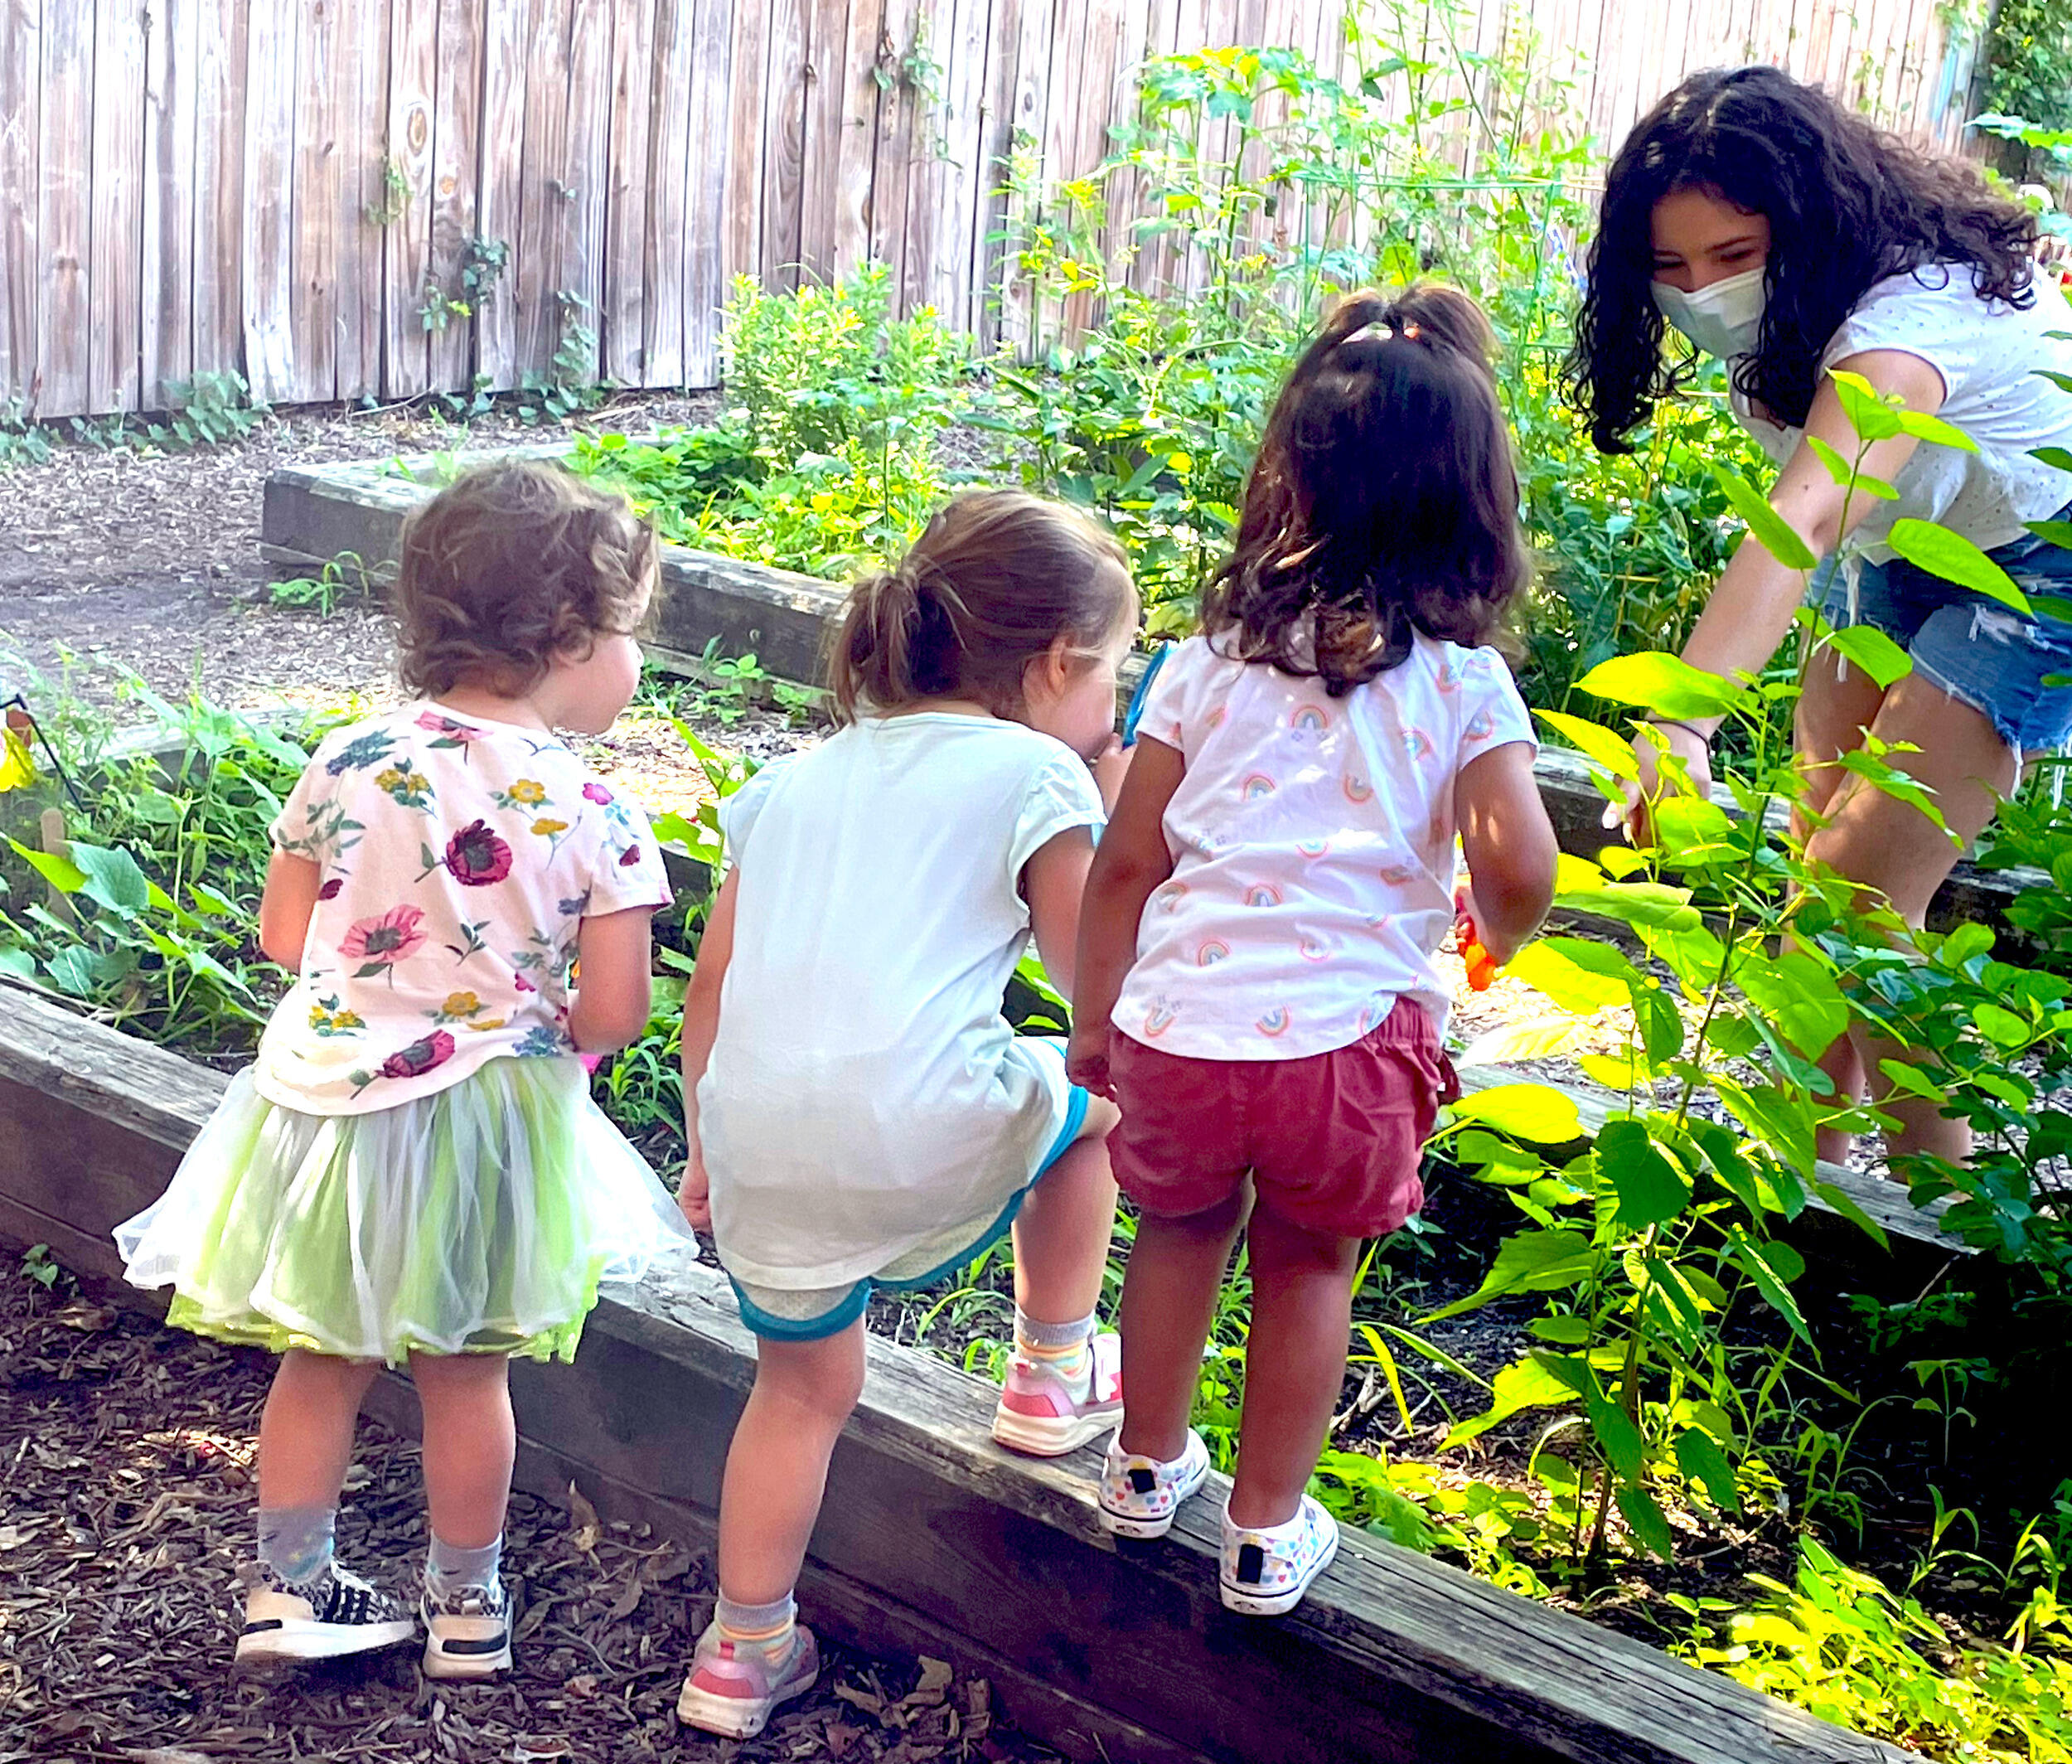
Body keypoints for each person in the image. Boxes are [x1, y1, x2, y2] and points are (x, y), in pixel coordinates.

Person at [115, 463, 689, 1678]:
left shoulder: (350, 754)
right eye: (629, 638)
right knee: (468, 1369)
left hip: (327, 1108)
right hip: (489, 1113)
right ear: (570, 639)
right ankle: (467, 1612)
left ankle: (286, 1588)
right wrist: (542, 1021)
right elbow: (621, 1012)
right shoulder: (596, 811)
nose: (636, 665)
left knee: (322, 1355)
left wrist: (382, 981)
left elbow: (283, 937)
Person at [1067, 285, 1559, 1615]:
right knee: (1306, 1266)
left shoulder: (1207, 663)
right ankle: (1266, 1534)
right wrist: (1495, 932)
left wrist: (1095, 1021)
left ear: (1289, 473)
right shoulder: (1462, 684)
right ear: (1473, 501)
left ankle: (1141, 1467)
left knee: (1174, 1239)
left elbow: (1126, 861)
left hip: (1179, 1028)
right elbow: (1518, 865)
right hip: (1343, 1046)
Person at [674, 490, 1136, 1736]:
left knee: (798, 1394)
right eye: (1119, 677)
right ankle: (1048, 1373)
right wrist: (1120, 806)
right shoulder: (1040, 768)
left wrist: (707, 1149)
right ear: (1054, 668)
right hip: (924, 1118)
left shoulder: (783, 783)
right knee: (1082, 1113)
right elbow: (1089, 977)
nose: (1117, 708)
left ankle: (740, 1650)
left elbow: (708, 993)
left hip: (760, 1138)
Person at [1569, 65, 2072, 1165]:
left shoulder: (1907, 330)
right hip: (1905, 535)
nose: (1700, 289)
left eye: (1733, 258)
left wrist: (1681, 722)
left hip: (2044, 557)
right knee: (1817, 881)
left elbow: (1795, 524)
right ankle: (1811, 1175)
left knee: (1858, 900)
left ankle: (1941, 1246)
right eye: (1669, 267)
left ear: (1809, 224)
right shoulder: (1803, 305)